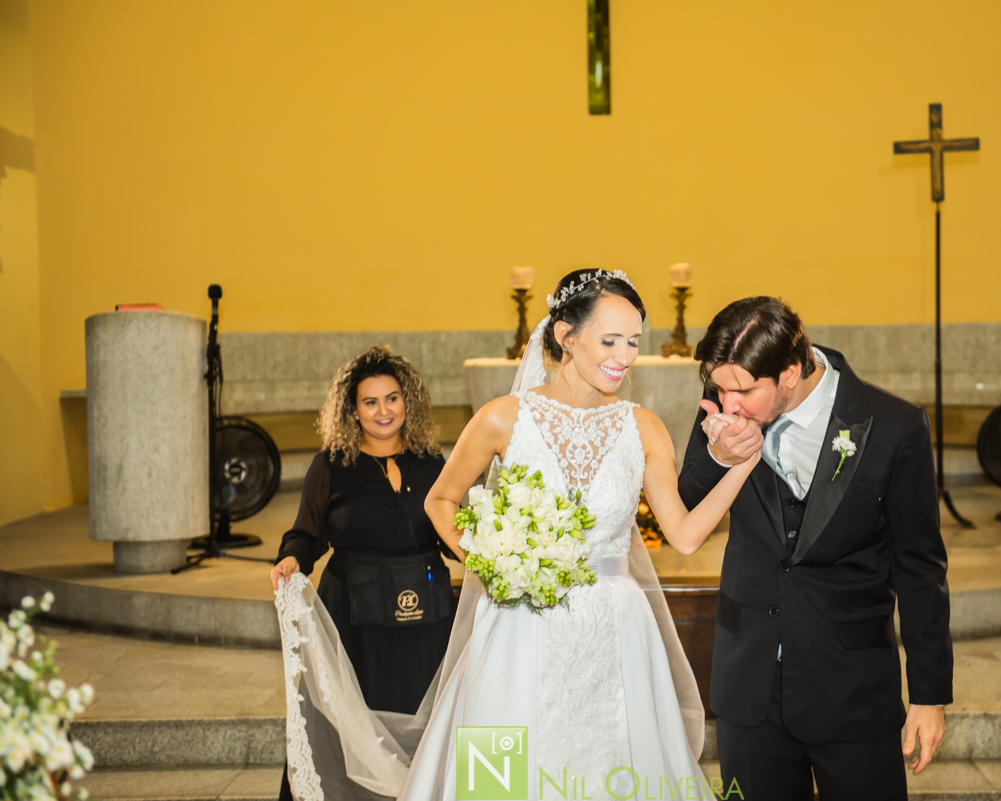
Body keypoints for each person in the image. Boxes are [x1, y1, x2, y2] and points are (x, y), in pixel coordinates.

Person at [273, 269, 763, 801]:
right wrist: (492, 565)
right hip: (519, 622)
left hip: (615, 626)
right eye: (609, 340)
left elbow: (686, 535)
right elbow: (440, 500)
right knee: (499, 778)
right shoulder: (504, 419)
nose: (624, 355)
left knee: (616, 759)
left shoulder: (643, 426)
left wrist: (742, 463)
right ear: (565, 336)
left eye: (633, 342)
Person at [677, 297, 954, 801]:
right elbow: (685, 504)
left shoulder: (893, 426)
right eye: (718, 387)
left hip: (851, 688)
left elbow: (919, 566)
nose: (728, 403)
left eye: (741, 390)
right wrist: (717, 455)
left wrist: (929, 695)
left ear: (789, 372)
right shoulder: (722, 405)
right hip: (749, 688)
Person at [270, 346, 454, 801]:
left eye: (392, 398)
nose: (383, 410)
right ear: (353, 411)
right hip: (355, 617)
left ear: (407, 402)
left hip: (425, 619)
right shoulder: (331, 466)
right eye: (370, 402)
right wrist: (293, 558)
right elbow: (306, 533)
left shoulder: (433, 464)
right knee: (350, 717)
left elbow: (457, 534)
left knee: (429, 714)